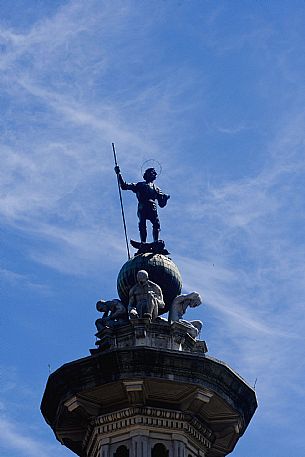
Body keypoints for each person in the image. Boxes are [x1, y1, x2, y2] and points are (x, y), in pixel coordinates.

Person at [115, 165, 170, 243]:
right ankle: (143, 241)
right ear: (147, 174)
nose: (155, 174)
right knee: (143, 224)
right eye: (153, 173)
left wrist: (165, 199)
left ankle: (155, 241)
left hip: (152, 207)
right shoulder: (139, 185)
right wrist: (119, 174)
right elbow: (124, 186)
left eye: (155, 173)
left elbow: (161, 204)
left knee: (156, 224)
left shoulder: (156, 189)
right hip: (143, 206)